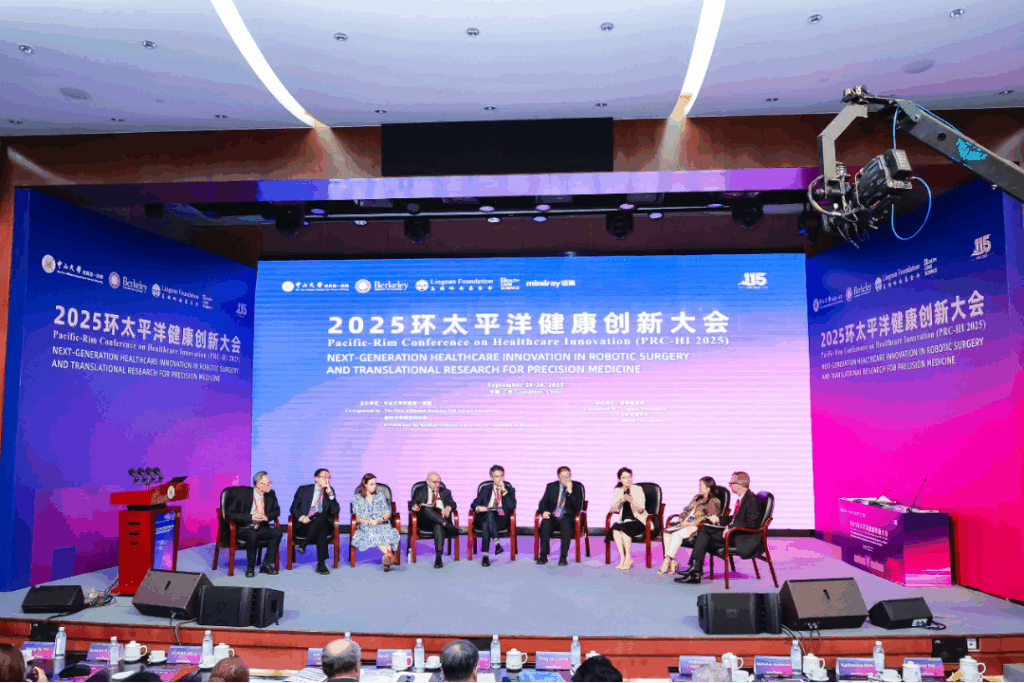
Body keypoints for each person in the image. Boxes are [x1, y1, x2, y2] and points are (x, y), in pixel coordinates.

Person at [675, 471, 761, 584]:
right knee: (705, 528)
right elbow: (736, 518)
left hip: (741, 537)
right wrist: (719, 519)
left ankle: (695, 571)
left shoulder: (751, 500)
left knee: (704, 533)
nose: (730, 485)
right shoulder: (743, 498)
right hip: (734, 533)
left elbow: (752, 524)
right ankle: (695, 570)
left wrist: (731, 527)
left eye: (731, 483)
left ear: (739, 484)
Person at [658, 476, 722, 575]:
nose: (699, 487)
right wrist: (682, 518)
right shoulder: (697, 498)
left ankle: (667, 560)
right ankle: (673, 561)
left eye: (701, 485)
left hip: (696, 527)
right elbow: (686, 510)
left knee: (676, 535)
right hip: (685, 523)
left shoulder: (713, 501)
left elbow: (711, 519)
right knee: (666, 532)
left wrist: (690, 523)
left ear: (708, 487)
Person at [225, 471, 283, 578]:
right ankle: (250, 567)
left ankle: (266, 564)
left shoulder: (271, 494)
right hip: (245, 527)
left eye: (270, 482)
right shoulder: (243, 495)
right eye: (267, 484)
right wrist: (250, 517)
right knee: (253, 534)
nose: (270, 485)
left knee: (277, 532)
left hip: (261, 526)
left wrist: (267, 517)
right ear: (258, 484)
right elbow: (229, 514)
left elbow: (277, 511)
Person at [291, 468, 341, 575]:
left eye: (329, 477)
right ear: (316, 479)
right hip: (304, 525)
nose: (327, 480)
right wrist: (301, 517)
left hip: (322, 524)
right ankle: (321, 564)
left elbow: (335, 510)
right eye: (324, 477)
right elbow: (294, 508)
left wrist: (331, 495)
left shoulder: (329, 491)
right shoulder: (303, 490)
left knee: (321, 518)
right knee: (321, 527)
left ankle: (304, 544)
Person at [351, 473, 401, 571]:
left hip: (381, 523)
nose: (374, 486)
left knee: (387, 531)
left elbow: (387, 513)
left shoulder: (380, 496)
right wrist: (369, 522)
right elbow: (357, 518)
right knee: (374, 533)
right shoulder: (357, 498)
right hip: (367, 525)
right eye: (371, 484)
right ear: (365, 484)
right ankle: (390, 557)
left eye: (375, 484)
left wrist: (380, 519)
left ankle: (387, 558)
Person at [537, 466, 584, 566]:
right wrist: (544, 511)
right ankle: (543, 555)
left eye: (568, 476)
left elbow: (578, 507)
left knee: (565, 524)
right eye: (564, 477)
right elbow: (542, 503)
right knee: (545, 523)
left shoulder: (577, 487)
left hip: (568, 516)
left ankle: (563, 557)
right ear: (558, 477)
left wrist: (570, 493)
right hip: (553, 515)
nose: (567, 479)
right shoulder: (551, 486)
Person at [410, 471, 459, 568]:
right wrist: (414, 506)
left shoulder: (445, 492)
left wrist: (448, 508)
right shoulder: (420, 490)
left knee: (438, 525)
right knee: (427, 508)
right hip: (425, 521)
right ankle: (446, 524)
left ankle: (438, 557)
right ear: (428, 481)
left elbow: (453, 503)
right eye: (434, 482)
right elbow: (413, 502)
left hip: (440, 519)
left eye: (439, 482)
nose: (437, 484)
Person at [472, 464, 516, 566]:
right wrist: (479, 508)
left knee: (487, 520)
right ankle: (496, 543)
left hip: (501, 519)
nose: (500, 479)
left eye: (501, 476)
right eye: (497, 476)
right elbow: (474, 503)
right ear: (492, 477)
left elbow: (512, 506)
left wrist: (504, 492)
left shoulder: (509, 490)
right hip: (485, 517)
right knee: (489, 514)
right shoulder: (485, 489)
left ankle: (485, 555)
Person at [607, 467, 647, 570]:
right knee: (615, 528)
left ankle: (629, 558)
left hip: (638, 520)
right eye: (624, 478)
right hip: (624, 520)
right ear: (620, 480)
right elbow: (612, 509)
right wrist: (620, 499)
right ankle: (623, 558)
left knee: (624, 529)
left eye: (629, 477)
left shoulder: (638, 489)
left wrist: (631, 500)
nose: (628, 480)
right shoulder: (618, 490)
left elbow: (641, 510)